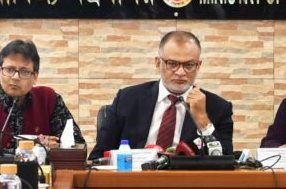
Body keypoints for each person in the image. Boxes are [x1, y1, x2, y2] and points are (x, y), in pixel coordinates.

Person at [91, 31, 233, 159]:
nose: (181, 72)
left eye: (189, 65)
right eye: (172, 64)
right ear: (158, 63)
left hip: (187, 179)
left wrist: (203, 121)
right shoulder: (127, 99)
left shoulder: (218, 107)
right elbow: (98, 156)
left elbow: (227, 161)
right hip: (134, 176)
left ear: (198, 66)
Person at [0, 40, 84, 157]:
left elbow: (77, 145)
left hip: (41, 172)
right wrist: (36, 149)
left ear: (35, 76)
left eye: (24, 72)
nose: (15, 77)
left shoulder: (49, 100)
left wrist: (55, 147)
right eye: (9, 70)